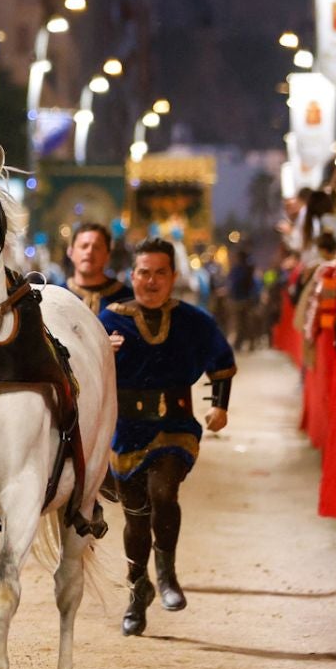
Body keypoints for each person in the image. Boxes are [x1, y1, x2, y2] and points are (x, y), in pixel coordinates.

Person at [101, 237, 237, 636]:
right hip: (124, 431)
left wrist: (220, 406)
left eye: (161, 272)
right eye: (144, 272)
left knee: (164, 492)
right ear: (132, 275)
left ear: (174, 276)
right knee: (136, 517)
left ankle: (167, 574)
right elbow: (79, 371)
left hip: (175, 425)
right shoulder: (108, 320)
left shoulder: (194, 320)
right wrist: (99, 352)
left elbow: (222, 363)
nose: (152, 281)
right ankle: (136, 590)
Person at [64, 222, 132, 314]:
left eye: (96, 247)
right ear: (70, 252)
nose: (89, 251)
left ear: (108, 255)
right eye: (84, 246)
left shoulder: (126, 298)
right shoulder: (59, 295)